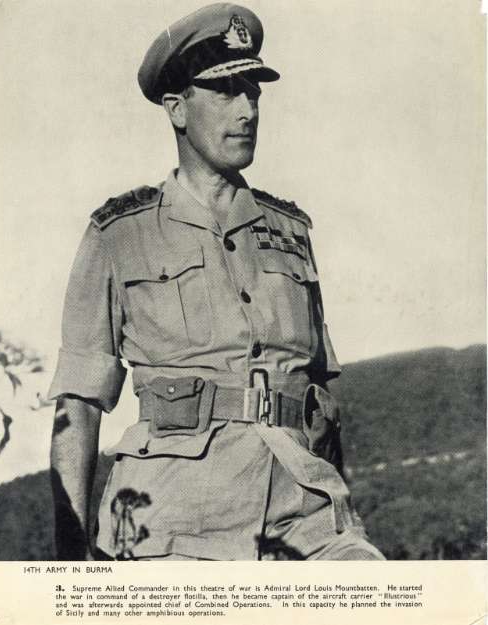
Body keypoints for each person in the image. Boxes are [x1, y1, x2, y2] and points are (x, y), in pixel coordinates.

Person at [49, 2, 384, 561]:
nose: (248, 110)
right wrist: (70, 556)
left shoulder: (291, 231)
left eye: (253, 92)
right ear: (177, 108)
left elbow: (322, 399)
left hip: (302, 516)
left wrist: (341, 510)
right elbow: (77, 405)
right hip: (173, 523)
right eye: (226, 92)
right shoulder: (119, 235)